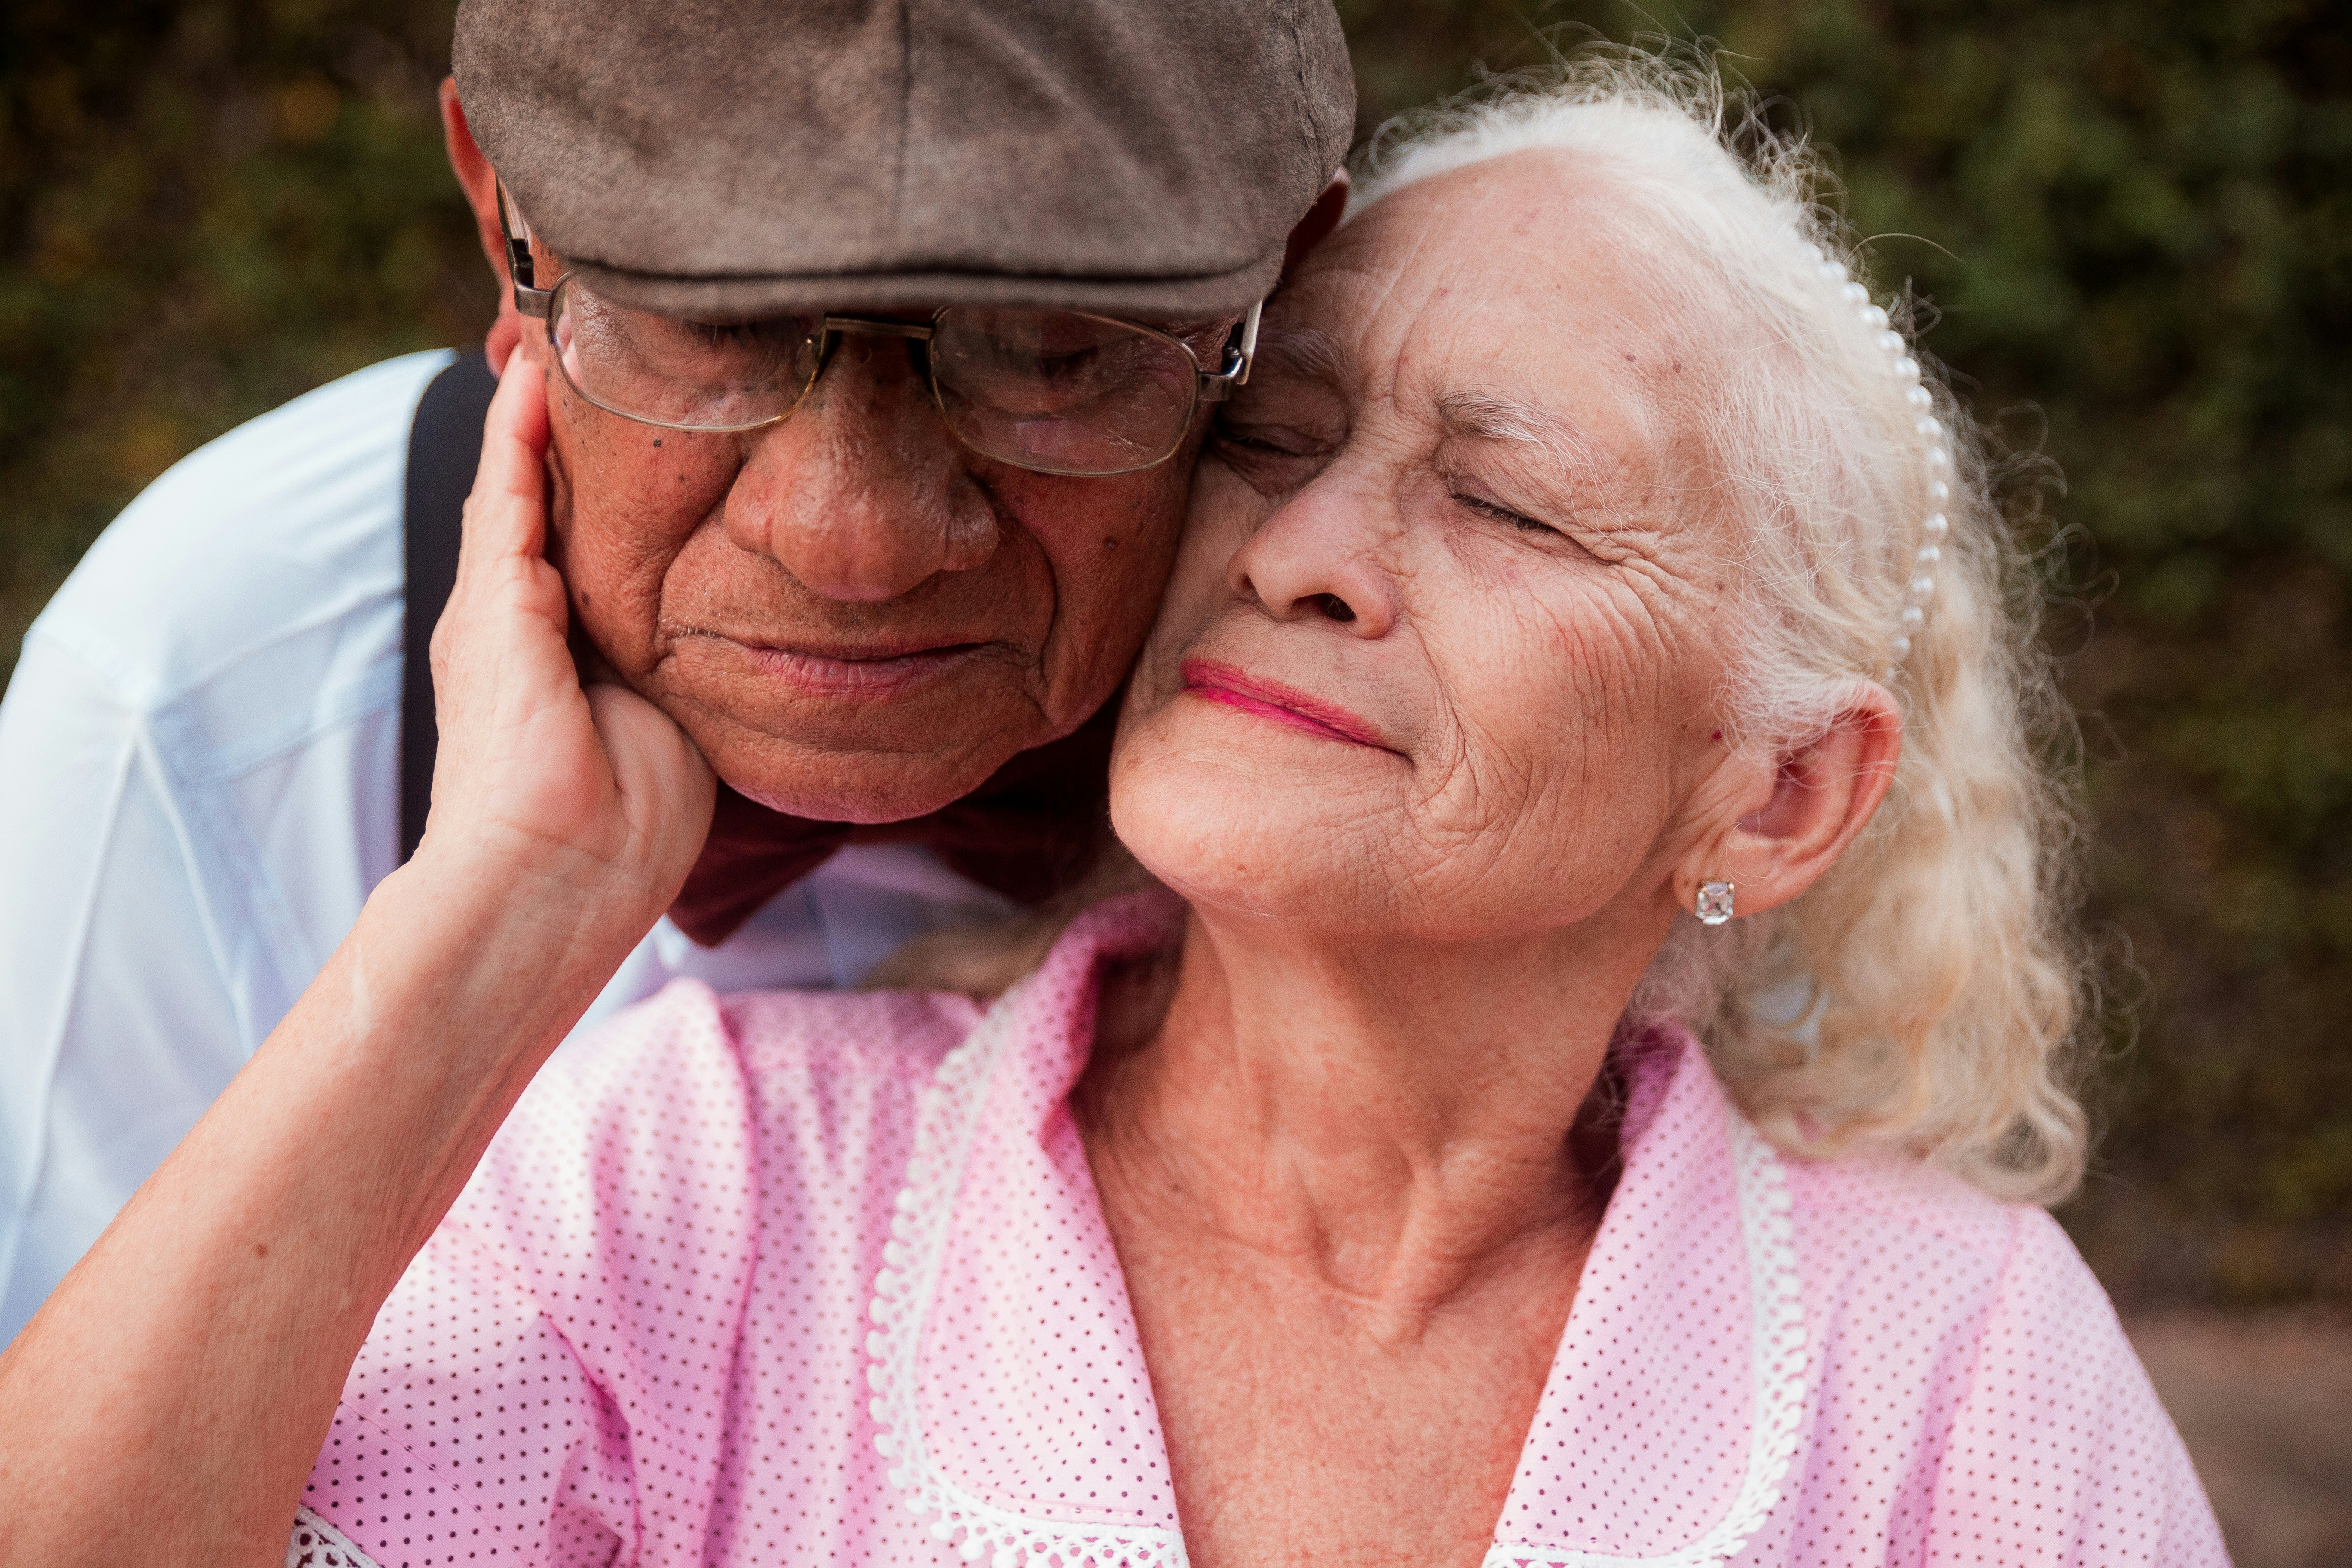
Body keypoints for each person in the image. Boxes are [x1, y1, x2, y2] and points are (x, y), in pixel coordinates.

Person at [0, 61, 2228, 1568]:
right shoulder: (709, 1177)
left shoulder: (1955, 1360)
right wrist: (508, 900)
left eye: (1511, 501)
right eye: (1282, 440)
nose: (1303, 548)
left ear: (1786, 785)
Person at [0, 0, 1354, 1341]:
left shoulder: (1429, 710)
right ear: (501, 222)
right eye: (719, 329)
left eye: (1052, 354)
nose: (855, 542)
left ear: (1275, 287)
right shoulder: (208, 696)